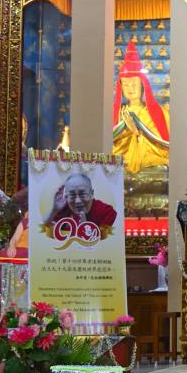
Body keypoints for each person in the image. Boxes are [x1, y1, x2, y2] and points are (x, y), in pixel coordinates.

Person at [112, 40, 170, 173]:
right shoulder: (117, 114)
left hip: (149, 165)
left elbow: (163, 150)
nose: (130, 88)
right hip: (122, 167)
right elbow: (111, 149)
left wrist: (137, 134)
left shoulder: (157, 113)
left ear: (143, 86)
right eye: (126, 85)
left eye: (134, 84)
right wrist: (127, 132)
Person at [45, 173, 117, 232]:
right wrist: (54, 211)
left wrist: (86, 229)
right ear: (66, 196)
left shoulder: (106, 212)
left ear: (91, 193)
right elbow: (43, 229)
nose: (77, 201)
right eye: (72, 195)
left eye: (82, 194)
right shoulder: (64, 207)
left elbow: (105, 240)